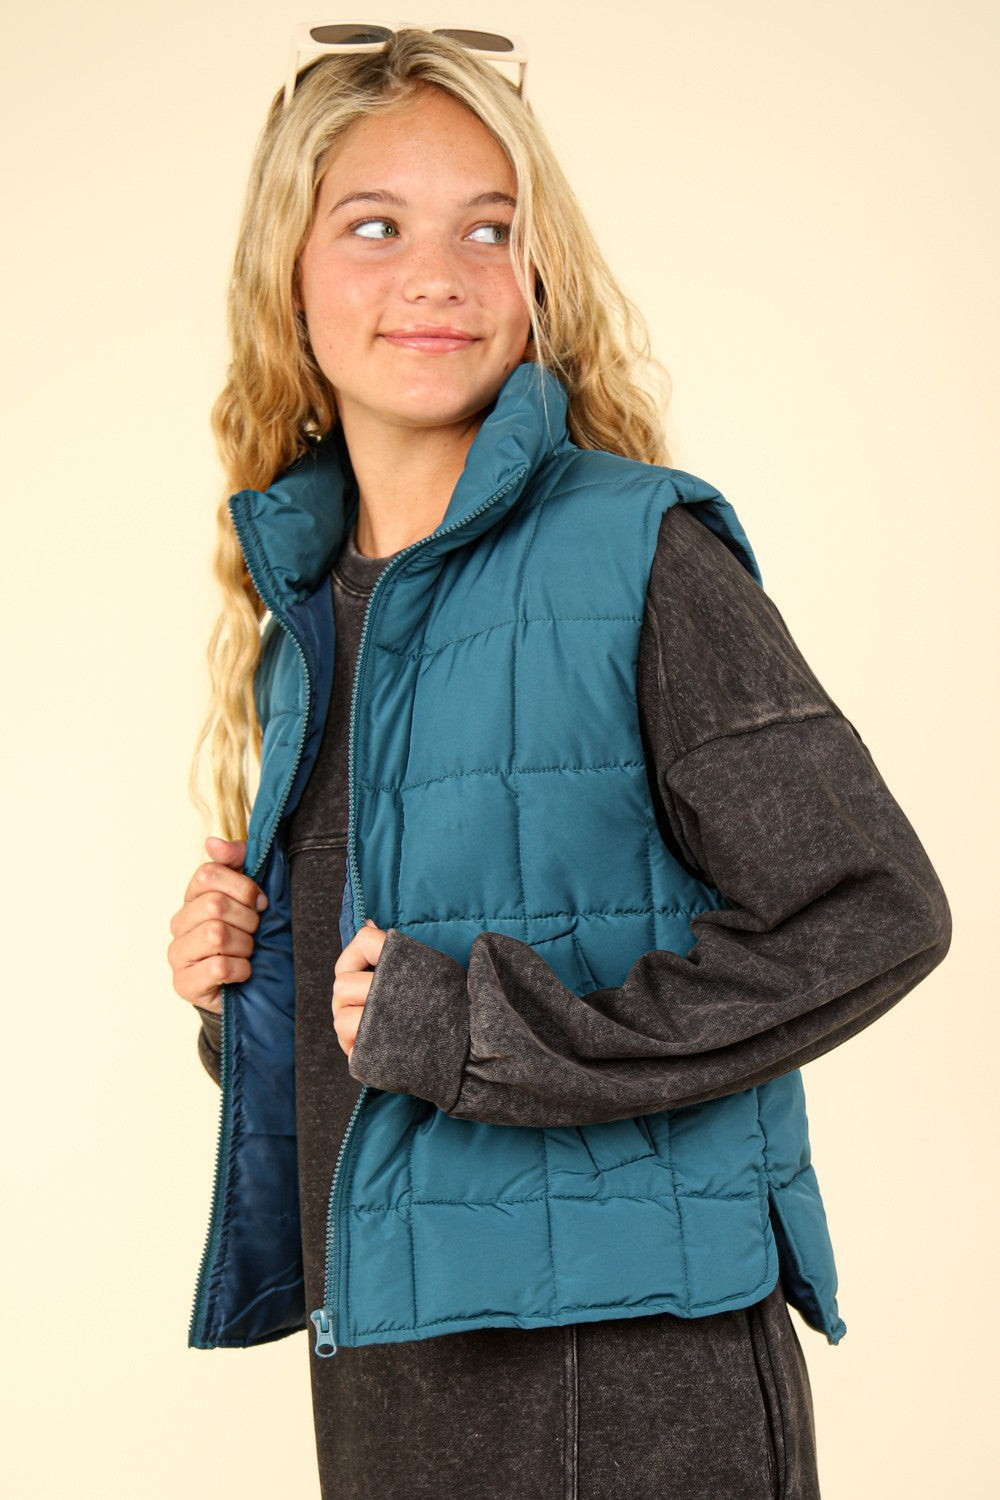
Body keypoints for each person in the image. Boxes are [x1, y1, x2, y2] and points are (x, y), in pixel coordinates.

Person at [167, 27, 951, 1500]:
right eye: (375, 226)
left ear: (539, 274)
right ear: (288, 272)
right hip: (393, 1371)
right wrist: (246, 992)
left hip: (630, 1374)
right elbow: (384, 1032)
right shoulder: (307, 607)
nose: (438, 276)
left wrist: (494, 1032)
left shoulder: (640, 552)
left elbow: (875, 910)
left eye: (490, 228)